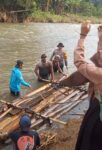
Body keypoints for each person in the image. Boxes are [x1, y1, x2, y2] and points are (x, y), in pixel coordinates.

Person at [59, 21, 102, 150]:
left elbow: (79, 60)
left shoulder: (98, 74)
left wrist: (83, 35)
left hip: (98, 117)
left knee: (89, 141)